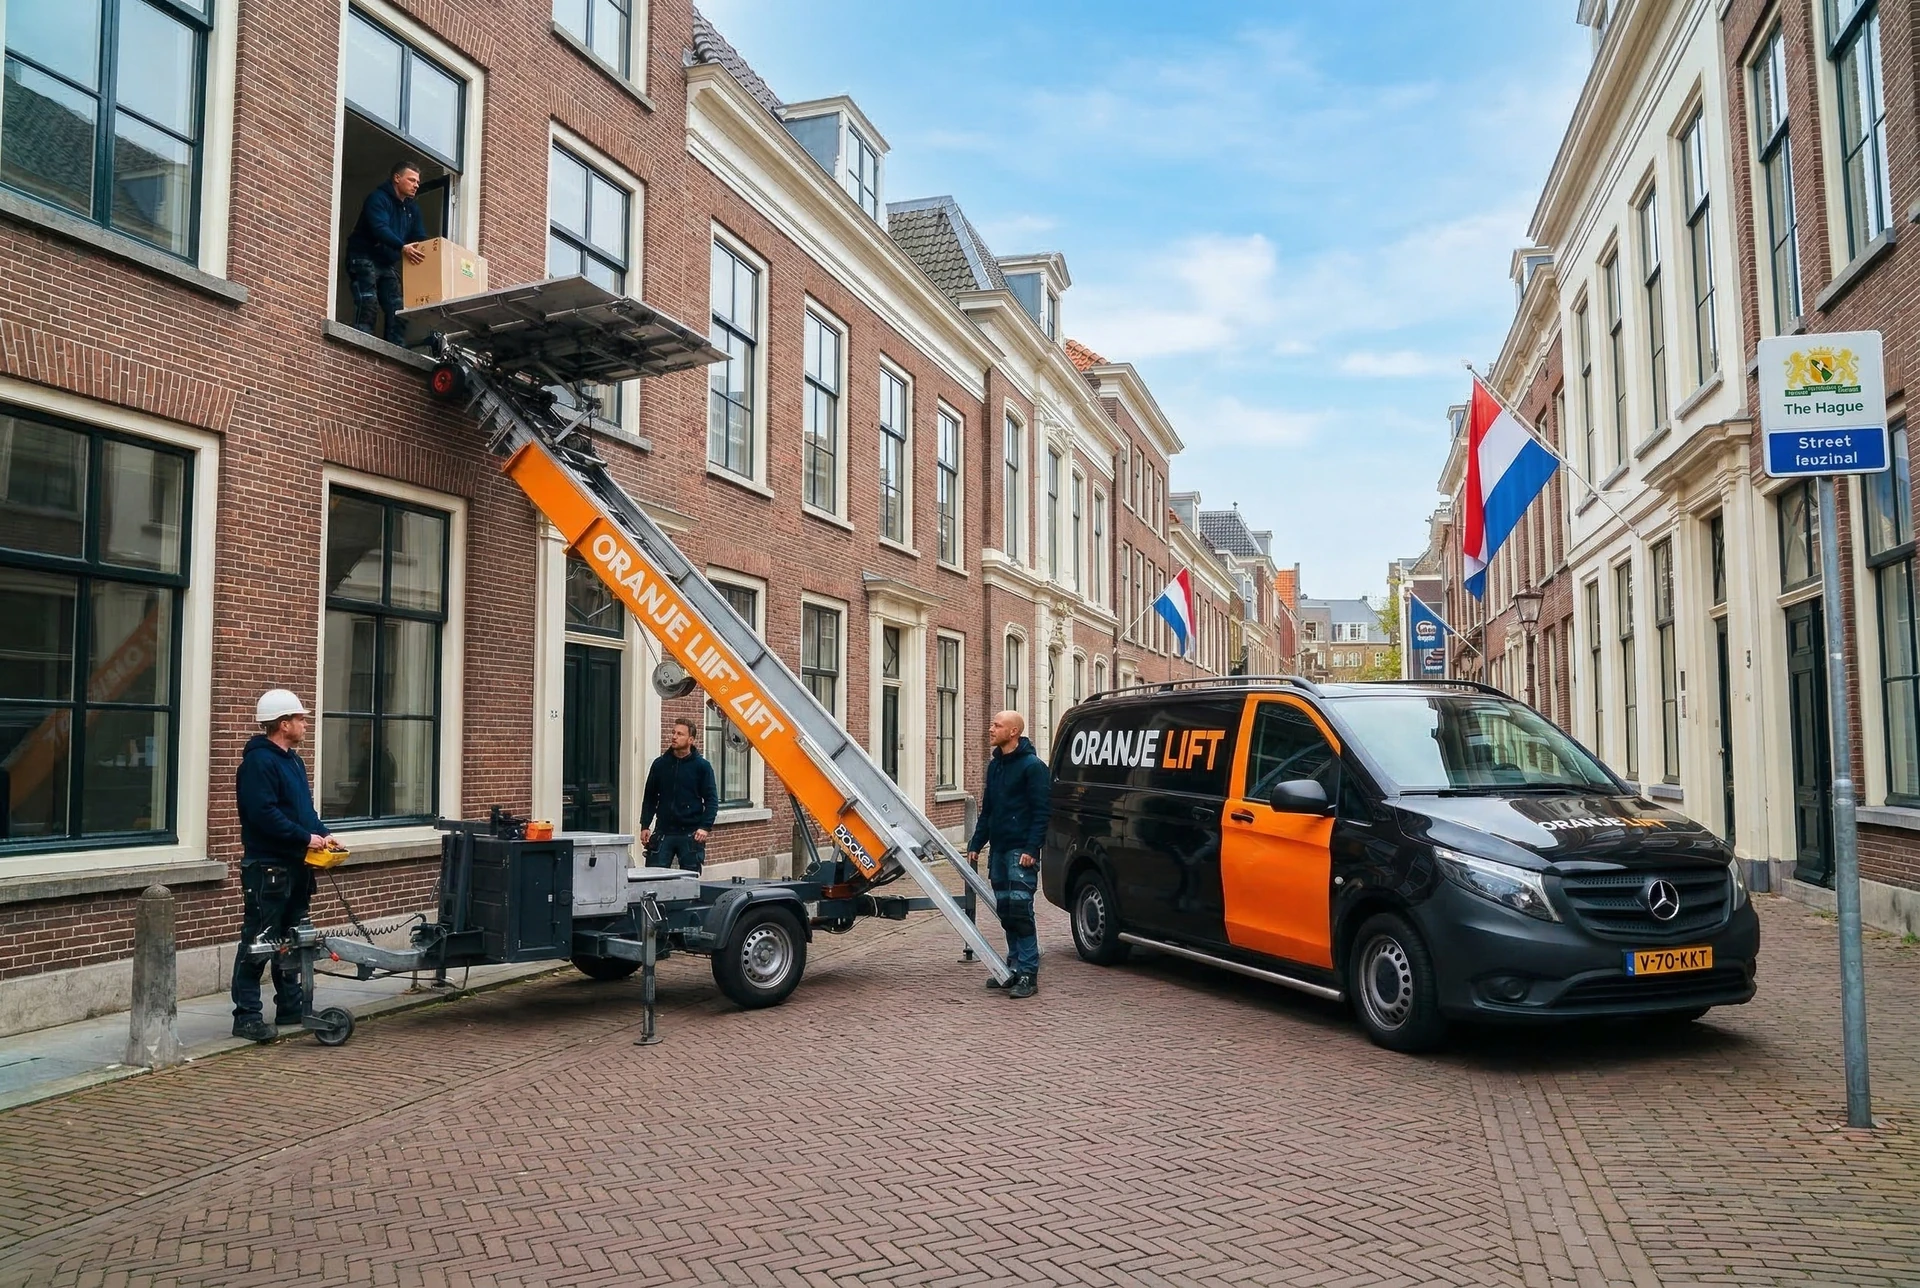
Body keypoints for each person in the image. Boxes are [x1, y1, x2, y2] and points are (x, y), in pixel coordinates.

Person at [230, 689, 340, 1043]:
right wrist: (304, 838)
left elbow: (302, 810)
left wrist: (323, 834)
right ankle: (246, 1016)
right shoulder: (259, 763)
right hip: (268, 868)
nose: (306, 724)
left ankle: (290, 1006)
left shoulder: (293, 760)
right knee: (259, 941)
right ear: (283, 724)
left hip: (295, 866)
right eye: (301, 718)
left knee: (292, 941)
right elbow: (262, 815)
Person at [966, 710, 1051, 999]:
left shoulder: (1033, 767)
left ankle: (1028, 972)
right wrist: (976, 843)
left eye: (997, 725)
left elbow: (1042, 812)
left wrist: (1031, 849)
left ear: (1013, 732)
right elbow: (988, 809)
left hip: (1020, 852)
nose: (991, 729)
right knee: (1004, 911)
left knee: (1020, 910)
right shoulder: (996, 767)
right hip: (999, 850)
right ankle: (1012, 967)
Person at [345, 160, 429, 344]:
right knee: (369, 300)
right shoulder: (378, 198)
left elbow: (420, 237)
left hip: (386, 262)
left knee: (397, 308)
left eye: (417, 182)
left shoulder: (412, 209)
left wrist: (433, 254)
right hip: (363, 256)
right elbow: (379, 228)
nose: (416, 185)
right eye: (412, 180)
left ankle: (396, 348)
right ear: (397, 178)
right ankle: (362, 342)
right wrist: (402, 246)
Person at [640, 716, 718, 874]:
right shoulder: (660, 764)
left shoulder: (702, 767)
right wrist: (645, 825)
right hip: (663, 831)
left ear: (691, 739)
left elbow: (711, 800)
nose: (674, 737)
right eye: (673, 732)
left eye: (680, 734)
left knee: (689, 882)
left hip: (691, 834)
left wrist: (705, 827)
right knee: (653, 878)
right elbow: (650, 797)